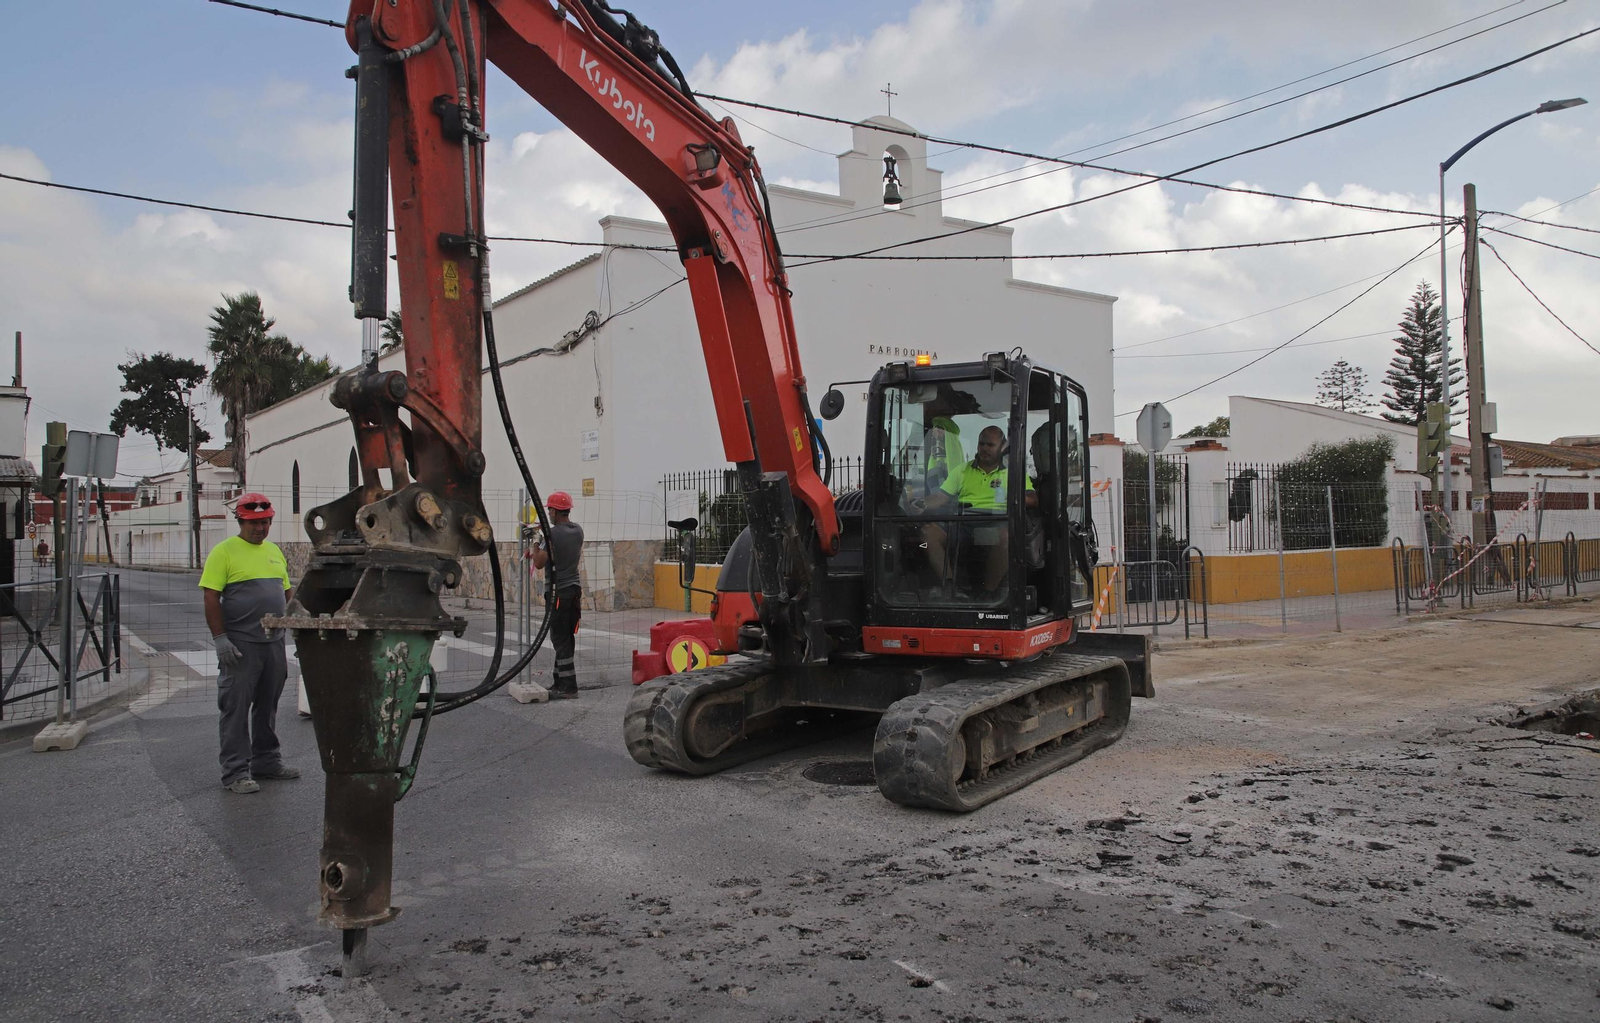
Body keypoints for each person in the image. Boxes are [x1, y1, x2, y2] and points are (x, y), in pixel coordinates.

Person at [200, 492, 297, 794]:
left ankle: (266, 761)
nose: (260, 528)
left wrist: (294, 620)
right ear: (240, 521)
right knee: (236, 708)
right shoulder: (224, 552)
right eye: (254, 523)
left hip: (274, 642)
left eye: (265, 522)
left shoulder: (274, 551)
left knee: (268, 705)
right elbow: (211, 596)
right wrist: (220, 639)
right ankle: (235, 772)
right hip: (241, 644)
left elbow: (286, 591)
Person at [921, 425, 1035, 593]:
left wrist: (1014, 496)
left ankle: (987, 593)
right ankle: (950, 587)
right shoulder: (962, 470)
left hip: (993, 525)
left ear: (1002, 447)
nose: (985, 449)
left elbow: (1033, 499)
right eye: (982, 444)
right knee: (928, 533)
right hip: (963, 525)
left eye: (990, 445)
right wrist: (921, 503)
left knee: (1006, 537)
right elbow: (941, 496)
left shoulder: (1013, 473)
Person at [529, 490, 584, 699]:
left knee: (559, 638)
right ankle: (560, 681)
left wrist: (537, 541)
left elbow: (539, 562)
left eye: (549, 510)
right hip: (574, 591)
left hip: (558, 592)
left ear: (554, 511)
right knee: (567, 636)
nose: (548, 514)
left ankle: (569, 686)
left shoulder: (551, 535)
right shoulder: (578, 531)